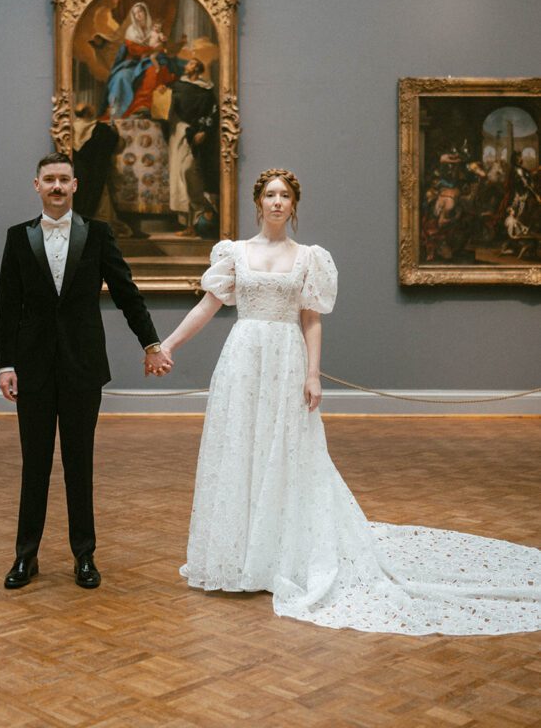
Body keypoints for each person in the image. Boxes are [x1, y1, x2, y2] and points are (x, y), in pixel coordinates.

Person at [158, 167, 541, 635]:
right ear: (258, 202)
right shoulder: (234, 253)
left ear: (294, 205)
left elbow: (312, 320)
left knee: (287, 454)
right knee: (240, 451)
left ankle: (280, 555)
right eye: (270, 195)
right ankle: (240, 558)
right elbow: (207, 305)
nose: (277, 202)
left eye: (284, 196)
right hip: (243, 362)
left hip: (286, 360)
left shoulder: (308, 258)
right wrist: (168, 345)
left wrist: (313, 374)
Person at [0, 152, 172, 591]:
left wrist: (151, 343)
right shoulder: (18, 237)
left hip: (83, 367)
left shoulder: (98, 234)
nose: (56, 186)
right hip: (32, 369)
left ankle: (85, 556)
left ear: (75, 185)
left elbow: (127, 293)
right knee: (34, 465)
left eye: (64, 179)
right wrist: (7, 365)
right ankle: (25, 556)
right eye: (49, 180)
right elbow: (7, 306)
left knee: (80, 464)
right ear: (36, 185)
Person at [168, 59, 219, 236]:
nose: (186, 66)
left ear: (197, 68)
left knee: (190, 172)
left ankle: (200, 218)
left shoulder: (206, 89)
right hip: (180, 132)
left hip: (198, 134)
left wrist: (204, 131)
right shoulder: (179, 86)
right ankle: (188, 225)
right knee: (180, 177)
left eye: (190, 64)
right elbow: (169, 109)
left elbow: (213, 112)